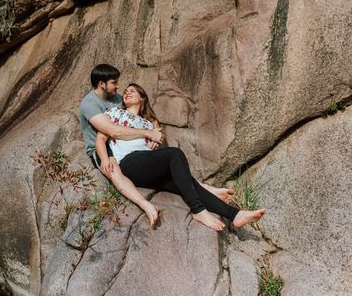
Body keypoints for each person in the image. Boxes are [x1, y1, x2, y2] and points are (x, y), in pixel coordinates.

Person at [79, 64, 235, 228]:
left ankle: (229, 210)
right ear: (102, 84)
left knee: (177, 178)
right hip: (104, 148)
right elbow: (110, 131)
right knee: (120, 168)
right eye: (115, 83)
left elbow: (147, 117)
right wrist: (145, 135)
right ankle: (148, 206)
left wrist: (154, 130)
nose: (120, 88)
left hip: (135, 153)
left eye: (128, 89)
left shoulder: (118, 99)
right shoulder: (91, 104)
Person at [95, 83, 265, 231]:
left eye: (132, 90)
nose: (127, 93)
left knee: (187, 184)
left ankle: (234, 215)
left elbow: (156, 137)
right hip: (129, 162)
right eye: (125, 91)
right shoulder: (115, 113)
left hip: (147, 167)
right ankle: (198, 210)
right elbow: (101, 139)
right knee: (174, 154)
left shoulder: (148, 124)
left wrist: (155, 138)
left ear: (142, 97)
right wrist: (104, 159)